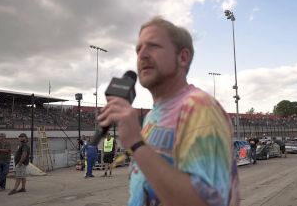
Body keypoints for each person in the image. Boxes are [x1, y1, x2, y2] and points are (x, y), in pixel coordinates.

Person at [97, 17, 240, 206]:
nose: (142, 55)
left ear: (182, 57)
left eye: (153, 46)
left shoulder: (199, 107)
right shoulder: (152, 116)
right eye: (138, 49)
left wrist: (136, 143)